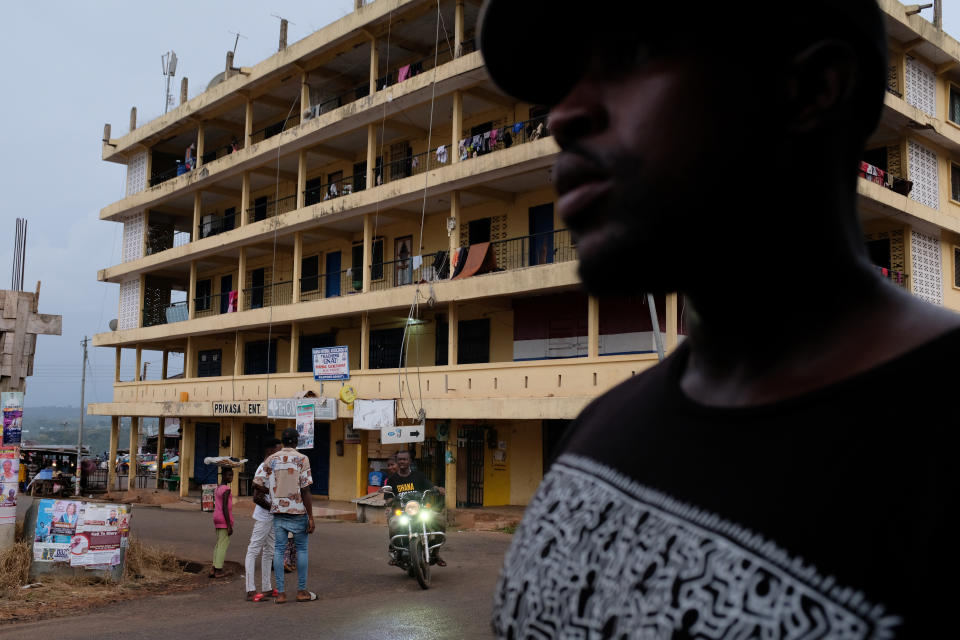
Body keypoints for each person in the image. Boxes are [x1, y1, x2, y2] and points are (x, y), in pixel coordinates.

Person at [480, 1, 959, 638]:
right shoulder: (598, 432)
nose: (565, 115)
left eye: (630, 56)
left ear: (812, 88)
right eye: (564, 81)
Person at [253, 427, 316, 604]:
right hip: (298, 512)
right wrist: (311, 517)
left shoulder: (271, 459)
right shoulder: (303, 459)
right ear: (296, 442)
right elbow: (305, 489)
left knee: (279, 551)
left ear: (283, 441)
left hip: (278, 512)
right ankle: (302, 591)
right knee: (302, 550)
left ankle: (280, 594)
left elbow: (257, 483)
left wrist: (274, 492)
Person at [384, 450, 446, 567]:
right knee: (393, 523)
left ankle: (436, 553)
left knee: (440, 520)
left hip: (421, 509)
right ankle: (395, 550)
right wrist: (390, 501)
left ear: (410, 461)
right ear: (397, 462)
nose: (402, 461)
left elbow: (430, 486)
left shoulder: (419, 476)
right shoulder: (392, 479)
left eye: (405, 459)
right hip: (402, 512)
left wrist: (438, 489)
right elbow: (388, 498)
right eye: (400, 459)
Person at [245, 437, 282, 602]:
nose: (281, 454)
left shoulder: (273, 467)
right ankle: (250, 590)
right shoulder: (263, 467)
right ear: (270, 451)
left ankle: (266, 588)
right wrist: (274, 508)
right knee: (253, 550)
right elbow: (257, 497)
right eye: (278, 451)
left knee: (269, 551)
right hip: (264, 516)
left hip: (272, 516)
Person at [211, 467, 234, 579]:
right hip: (223, 519)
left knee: (219, 543)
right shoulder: (226, 489)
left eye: (232, 475)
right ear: (223, 475)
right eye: (229, 475)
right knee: (223, 544)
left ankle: (213, 568)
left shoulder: (218, 488)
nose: (231, 477)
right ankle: (218, 570)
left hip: (216, 517)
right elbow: (225, 507)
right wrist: (229, 525)